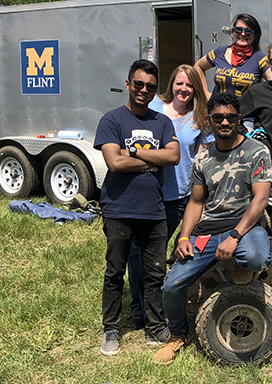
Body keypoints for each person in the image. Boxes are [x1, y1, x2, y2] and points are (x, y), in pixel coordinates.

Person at [153, 93, 272, 365]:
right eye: (218, 118)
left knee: (254, 256)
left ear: (239, 119)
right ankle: (177, 335)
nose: (225, 122)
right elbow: (196, 202)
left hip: (246, 224)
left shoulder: (257, 151)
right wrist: (184, 236)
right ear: (210, 121)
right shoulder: (203, 156)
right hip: (210, 227)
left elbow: (261, 199)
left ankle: (242, 265)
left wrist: (234, 237)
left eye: (231, 117)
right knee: (171, 285)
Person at [94, 59, 180, 356]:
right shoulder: (112, 120)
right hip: (118, 208)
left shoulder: (162, 122)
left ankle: (155, 326)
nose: (144, 90)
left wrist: (131, 151)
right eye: (140, 84)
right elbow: (114, 163)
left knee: (154, 274)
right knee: (115, 272)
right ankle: (112, 329)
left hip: (154, 210)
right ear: (129, 84)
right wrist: (151, 156)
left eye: (151, 87)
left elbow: (174, 157)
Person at [127, 64, 214, 330]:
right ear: (171, 85)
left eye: (189, 85)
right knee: (134, 252)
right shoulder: (152, 106)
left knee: (154, 254)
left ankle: (152, 306)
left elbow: (203, 160)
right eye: (179, 83)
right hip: (145, 191)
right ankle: (137, 308)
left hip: (177, 196)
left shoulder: (200, 118)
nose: (184, 89)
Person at [194, 13, 272, 99]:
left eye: (248, 31)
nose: (243, 34)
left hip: (244, 112)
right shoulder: (220, 52)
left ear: (255, 36)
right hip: (217, 110)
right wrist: (205, 93)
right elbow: (198, 66)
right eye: (238, 30)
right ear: (233, 32)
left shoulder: (260, 58)